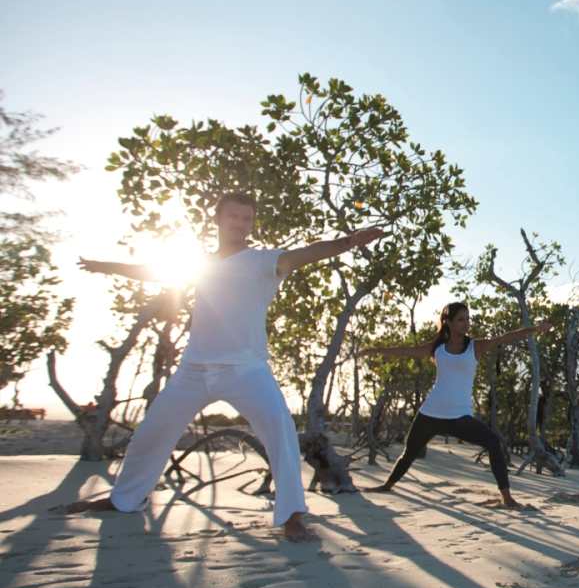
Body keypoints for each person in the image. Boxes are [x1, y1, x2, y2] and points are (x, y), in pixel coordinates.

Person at [65, 191, 383, 542]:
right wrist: (106, 266)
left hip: (246, 370)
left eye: (247, 218)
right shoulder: (200, 264)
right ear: (217, 219)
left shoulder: (262, 261)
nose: (240, 224)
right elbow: (152, 271)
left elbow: (306, 253)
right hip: (194, 369)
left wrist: (349, 242)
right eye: (233, 216)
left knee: (280, 434)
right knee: (151, 433)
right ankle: (124, 500)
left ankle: (292, 515)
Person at [361, 302, 550, 508]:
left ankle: (507, 498)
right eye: (461, 319)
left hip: (459, 417)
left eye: (468, 319)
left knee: (493, 443)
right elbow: (407, 351)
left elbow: (506, 337)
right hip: (430, 413)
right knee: (409, 453)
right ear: (448, 322)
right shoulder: (437, 348)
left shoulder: (475, 347)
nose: (466, 323)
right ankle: (387, 485)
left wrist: (535, 329)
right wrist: (376, 350)